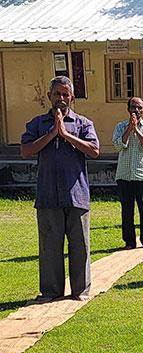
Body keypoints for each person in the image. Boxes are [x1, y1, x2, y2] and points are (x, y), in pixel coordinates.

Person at [20, 76, 100, 302]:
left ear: (72, 97)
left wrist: (66, 134)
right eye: (57, 94)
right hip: (48, 195)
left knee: (80, 246)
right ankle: (51, 291)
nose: (61, 98)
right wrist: (52, 133)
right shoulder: (37, 124)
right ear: (49, 96)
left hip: (76, 195)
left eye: (66, 94)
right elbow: (25, 151)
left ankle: (80, 290)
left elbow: (94, 150)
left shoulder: (83, 123)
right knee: (50, 247)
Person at [112, 97, 143, 249]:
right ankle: (129, 241)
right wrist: (129, 129)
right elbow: (118, 145)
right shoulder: (120, 126)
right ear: (128, 108)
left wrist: (136, 129)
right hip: (124, 174)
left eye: (139, 107)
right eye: (133, 107)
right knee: (126, 210)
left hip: (142, 174)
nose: (136, 110)